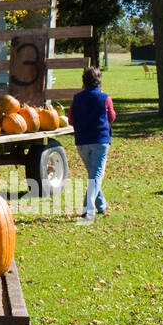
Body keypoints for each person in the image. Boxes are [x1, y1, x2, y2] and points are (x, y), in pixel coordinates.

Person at [68, 66, 115, 224]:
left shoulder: (77, 98)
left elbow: (70, 119)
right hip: (100, 141)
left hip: (82, 141)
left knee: (93, 175)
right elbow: (111, 117)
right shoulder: (105, 98)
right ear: (99, 80)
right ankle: (88, 210)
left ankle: (101, 205)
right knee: (96, 175)